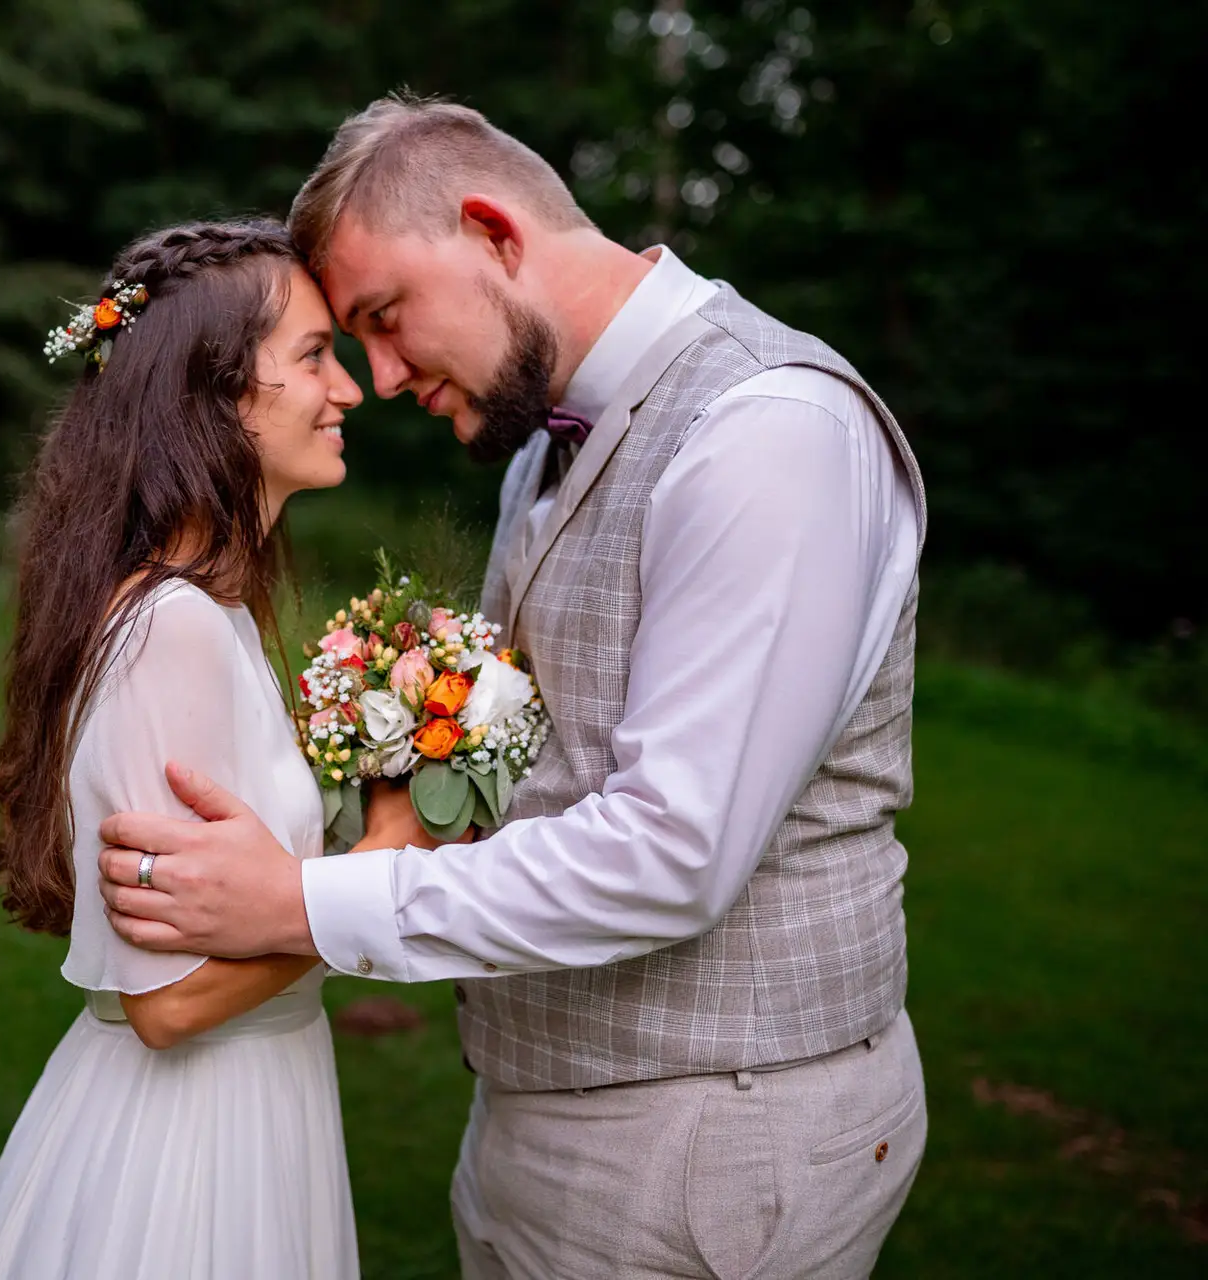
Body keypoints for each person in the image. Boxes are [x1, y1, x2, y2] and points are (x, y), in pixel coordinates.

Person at [97, 97, 930, 1279]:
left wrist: (302, 899)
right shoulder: (543, 438)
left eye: (385, 320)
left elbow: (670, 850)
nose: (379, 380)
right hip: (547, 1114)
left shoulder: (768, 430)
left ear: (494, 233)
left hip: (711, 1137)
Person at [0, 219, 387, 1279]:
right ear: (218, 396)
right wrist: (387, 875)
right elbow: (170, 1001)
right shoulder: (173, 626)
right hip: (187, 1160)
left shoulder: (209, 611)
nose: (350, 390)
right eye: (312, 356)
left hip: (251, 1104)